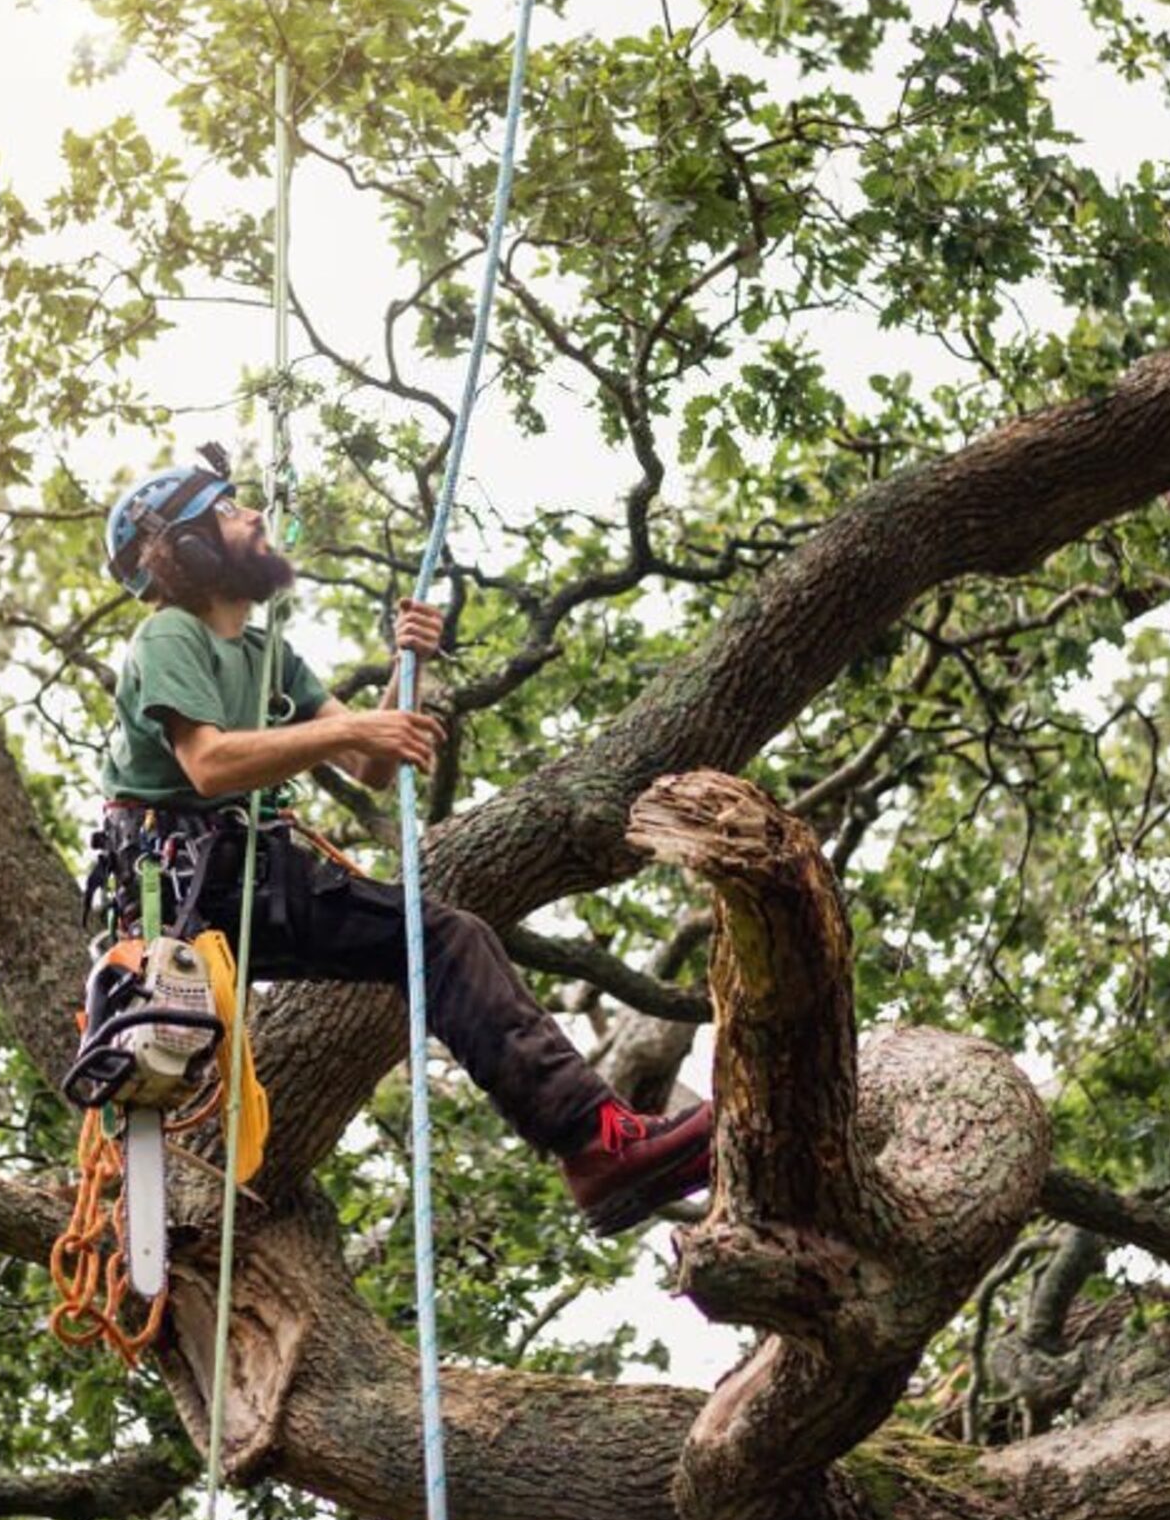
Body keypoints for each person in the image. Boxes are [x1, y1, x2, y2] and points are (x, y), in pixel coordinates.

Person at [90, 451, 712, 1235]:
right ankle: (598, 1144)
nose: (253, 519)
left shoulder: (268, 655)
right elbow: (209, 764)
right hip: (192, 882)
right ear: (193, 547)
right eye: (230, 511)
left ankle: (598, 1148)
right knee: (444, 938)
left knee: (444, 940)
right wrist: (355, 724)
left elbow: (369, 765)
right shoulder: (169, 636)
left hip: (254, 875)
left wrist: (401, 670)